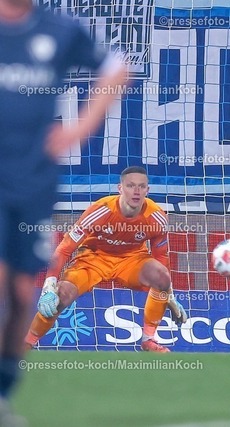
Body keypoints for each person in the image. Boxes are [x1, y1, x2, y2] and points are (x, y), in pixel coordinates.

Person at [0, 0, 128, 423]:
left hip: (33, 184)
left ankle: (4, 389)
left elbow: (116, 69)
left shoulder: (60, 30)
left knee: (21, 293)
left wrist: (80, 128)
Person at [24, 166, 187, 353]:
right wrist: (49, 285)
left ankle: (148, 340)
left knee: (161, 276)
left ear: (147, 190)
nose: (136, 191)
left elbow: (161, 257)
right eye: (130, 185)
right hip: (93, 259)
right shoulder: (101, 210)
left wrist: (168, 292)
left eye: (141, 186)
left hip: (131, 260)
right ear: (120, 188)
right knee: (62, 296)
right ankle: (27, 343)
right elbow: (64, 248)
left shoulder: (157, 217)